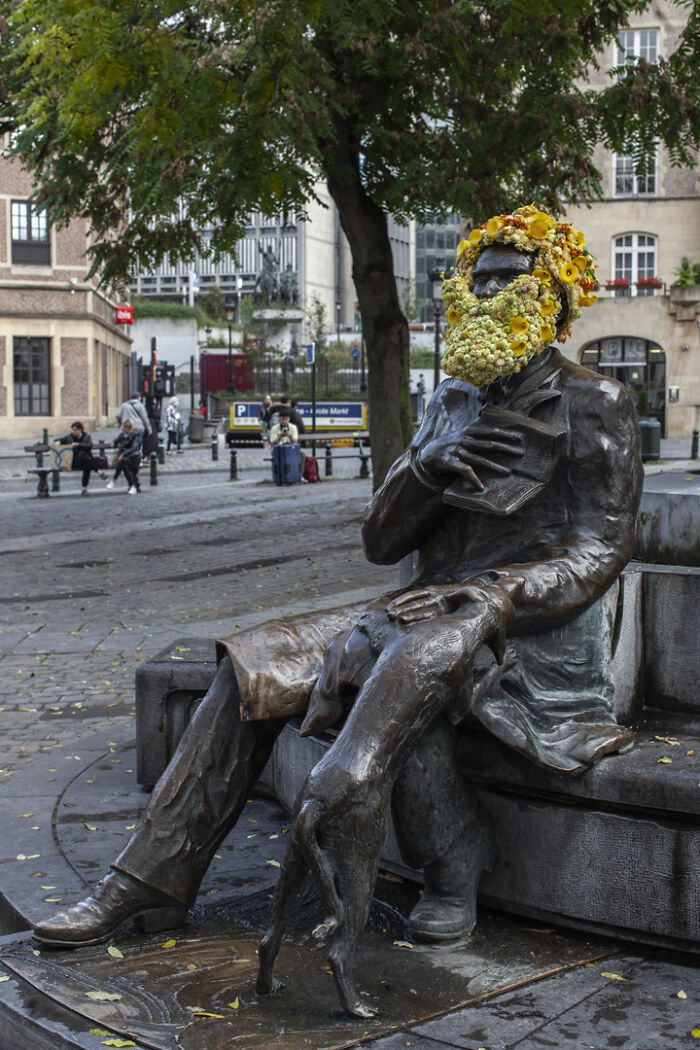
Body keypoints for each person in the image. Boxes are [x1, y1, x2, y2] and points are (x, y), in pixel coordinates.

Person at [33, 206, 642, 963]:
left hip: (529, 631)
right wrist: (425, 470)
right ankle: (147, 879)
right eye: (478, 280)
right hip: (420, 606)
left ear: (550, 297)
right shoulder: (452, 400)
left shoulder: (597, 404)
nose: (487, 294)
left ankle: (454, 864)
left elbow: (600, 548)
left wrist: (499, 594)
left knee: (404, 668)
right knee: (252, 663)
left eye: (508, 281)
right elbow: (382, 541)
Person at [55, 421, 106, 496]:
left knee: (86, 463)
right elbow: (59, 439)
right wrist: (58, 441)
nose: (74, 432)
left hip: (86, 461)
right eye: (73, 430)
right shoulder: (70, 437)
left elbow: (89, 445)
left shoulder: (87, 436)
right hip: (75, 461)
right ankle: (99, 472)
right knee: (85, 457)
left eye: (75, 430)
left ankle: (84, 489)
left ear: (80, 430)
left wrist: (78, 444)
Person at [106, 419, 142, 494]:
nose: (122, 429)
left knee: (122, 463)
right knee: (123, 465)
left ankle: (114, 480)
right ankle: (132, 486)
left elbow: (134, 447)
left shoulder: (135, 434)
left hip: (134, 457)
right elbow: (117, 439)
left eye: (124, 427)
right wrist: (113, 442)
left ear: (129, 428)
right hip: (125, 458)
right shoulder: (123, 434)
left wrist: (123, 454)